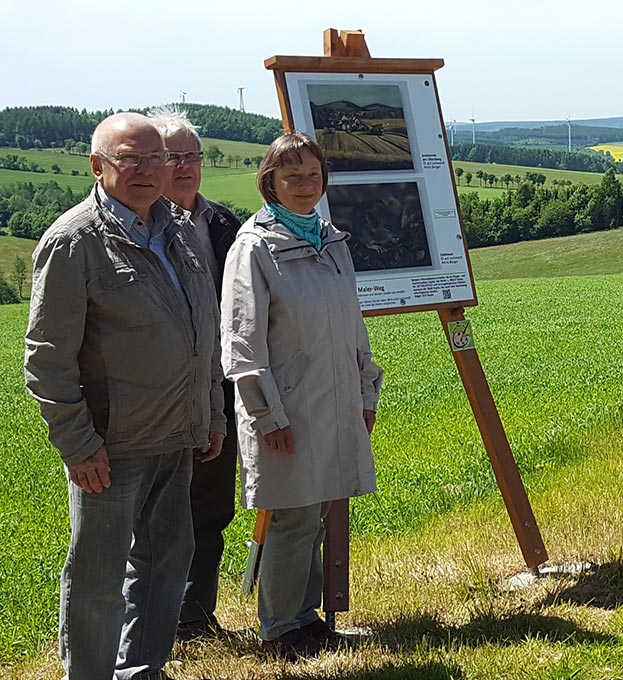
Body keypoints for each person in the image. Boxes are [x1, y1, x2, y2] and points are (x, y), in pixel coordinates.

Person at [24, 112, 225, 679]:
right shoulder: (73, 242)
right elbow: (46, 356)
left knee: (165, 565)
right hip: (110, 448)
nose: (145, 170)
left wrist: (210, 410)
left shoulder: (181, 230)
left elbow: (203, 329)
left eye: (155, 158)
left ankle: (141, 670)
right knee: (98, 578)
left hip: (177, 435)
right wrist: (77, 443)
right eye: (129, 159)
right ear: (98, 165)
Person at [220, 132, 382, 660]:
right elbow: (241, 343)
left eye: (312, 174)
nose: (303, 184)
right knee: (291, 515)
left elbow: (352, 325)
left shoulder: (330, 239)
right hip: (287, 405)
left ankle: (305, 619)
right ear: (270, 182)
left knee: (313, 512)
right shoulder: (254, 247)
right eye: (291, 175)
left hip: (332, 399)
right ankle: (280, 629)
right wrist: (268, 416)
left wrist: (365, 392)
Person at [148, 108, 243, 640]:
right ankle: (152, 627)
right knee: (158, 519)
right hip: (160, 395)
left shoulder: (225, 223)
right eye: (170, 156)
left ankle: (194, 619)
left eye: (191, 155)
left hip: (220, 392)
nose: (183, 166)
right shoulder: (141, 227)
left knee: (209, 509)